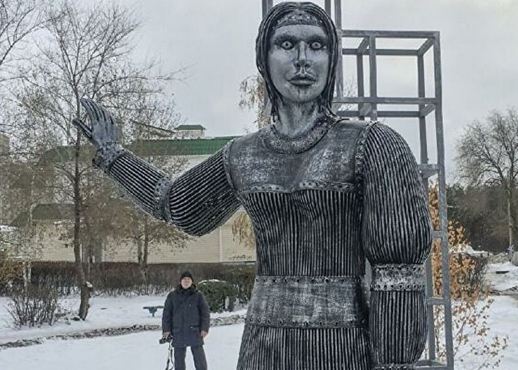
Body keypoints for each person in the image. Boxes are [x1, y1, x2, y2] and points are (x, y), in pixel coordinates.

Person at [72, 2, 432, 369]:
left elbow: (398, 270)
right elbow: (176, 204)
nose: (303, 59)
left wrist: (394, 362)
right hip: (265, 345)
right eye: (287, 45)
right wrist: (112, 156)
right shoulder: (243, 155)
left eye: (317, 45)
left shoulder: (371, 145)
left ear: (332, 60)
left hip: (344, 345)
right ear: (265, 60)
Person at [162, 271, 210, 370]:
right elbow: (167, 314)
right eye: (184, 279)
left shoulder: (198, 296)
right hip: (178, 331)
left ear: (192, 282)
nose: (186, 281)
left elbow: (205, 313)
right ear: (180, 281)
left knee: (199, 358)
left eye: (188, 280)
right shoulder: (172, 296)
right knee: (179, 359)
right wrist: (166, 330)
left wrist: (204, 328)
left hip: (194, 331)